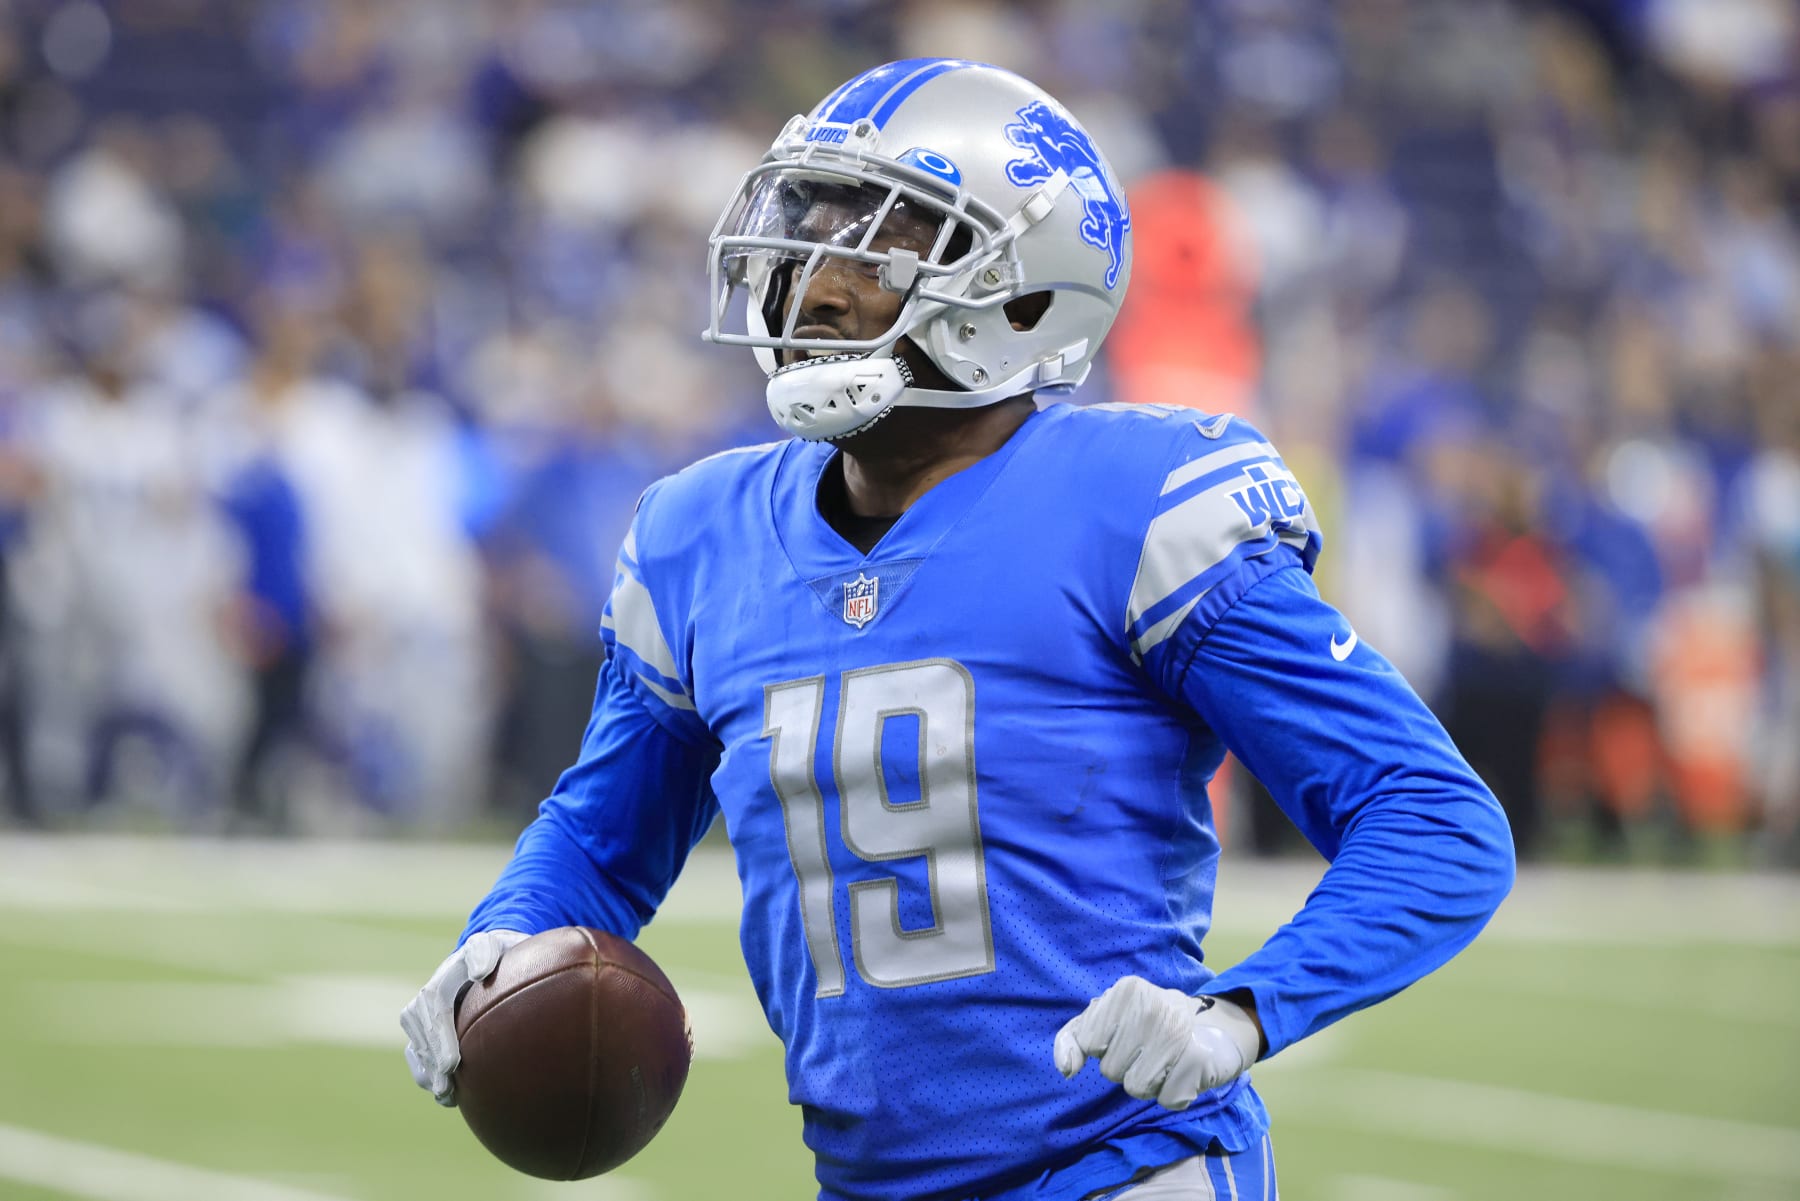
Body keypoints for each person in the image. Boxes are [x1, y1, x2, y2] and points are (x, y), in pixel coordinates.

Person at [401, 59, 1514, 1201]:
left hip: (1126, 1167)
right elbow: (601, 841)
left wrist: (1239, 1012)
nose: (813, 285)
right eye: (805, 234)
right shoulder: (700, 536)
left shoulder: (1133, 505)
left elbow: (1434, 818)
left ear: (1021, 295)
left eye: (874, 246)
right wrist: (506, 937)